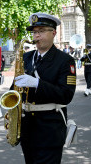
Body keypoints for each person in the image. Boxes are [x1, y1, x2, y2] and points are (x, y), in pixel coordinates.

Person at [14, 12, 76, 164]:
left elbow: (66, 95)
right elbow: (16, 88)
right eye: (35, 32)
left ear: (53, 33)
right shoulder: (26, 57)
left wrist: (37, 83)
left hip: (50, 129)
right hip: (27, 128)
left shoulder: (65, 60)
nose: (36, 36)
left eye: (41, 31)